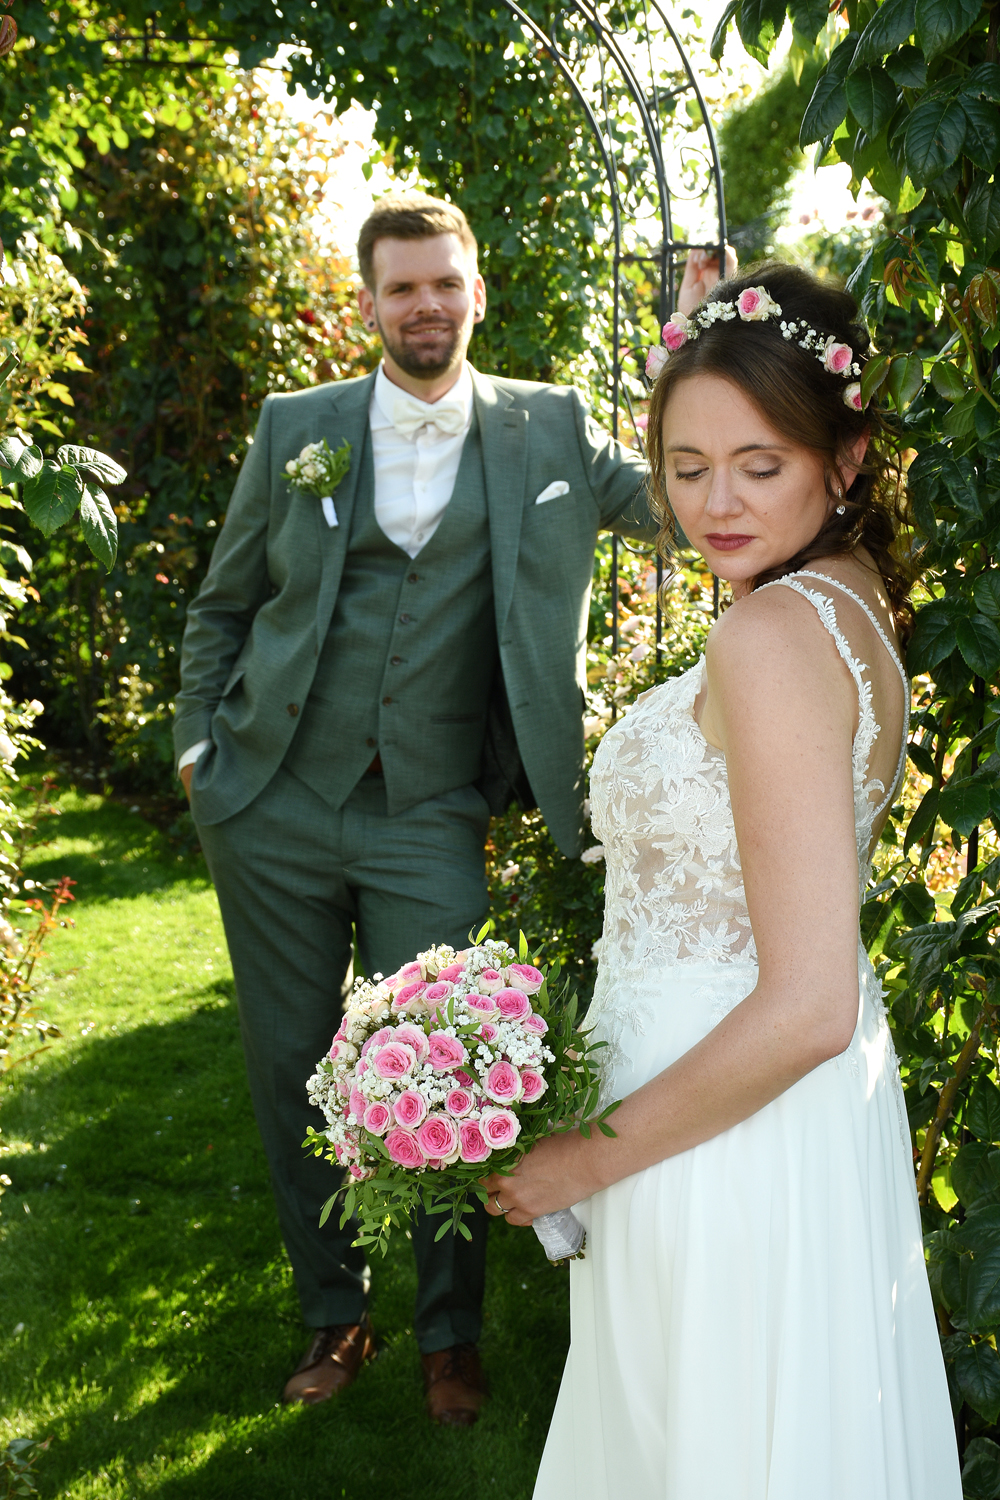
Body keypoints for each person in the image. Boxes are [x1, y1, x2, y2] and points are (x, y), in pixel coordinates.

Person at [173, 192, 726, 1424]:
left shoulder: (550, 425)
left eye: (442, 283)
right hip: (269, 800)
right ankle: (334, 1312)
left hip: (430, 808)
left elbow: (680, 506)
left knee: (458, 1062)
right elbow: (223, 604)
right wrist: (198, 751)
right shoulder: (298, 427)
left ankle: (449, 1335)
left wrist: (696, 353)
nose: (424, 306)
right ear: (369, 303)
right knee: (291, 1064)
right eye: (401, 287)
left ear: (478, 292)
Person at [483, 263, 962, 1497]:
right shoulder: (845, 604)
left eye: (759, 464)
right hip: (757, 1122)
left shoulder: (770, 635)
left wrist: (580, 1159)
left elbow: (806, 1003)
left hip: (712, 1138)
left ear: (844, 457)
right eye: (687, 467)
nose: (717, 503)